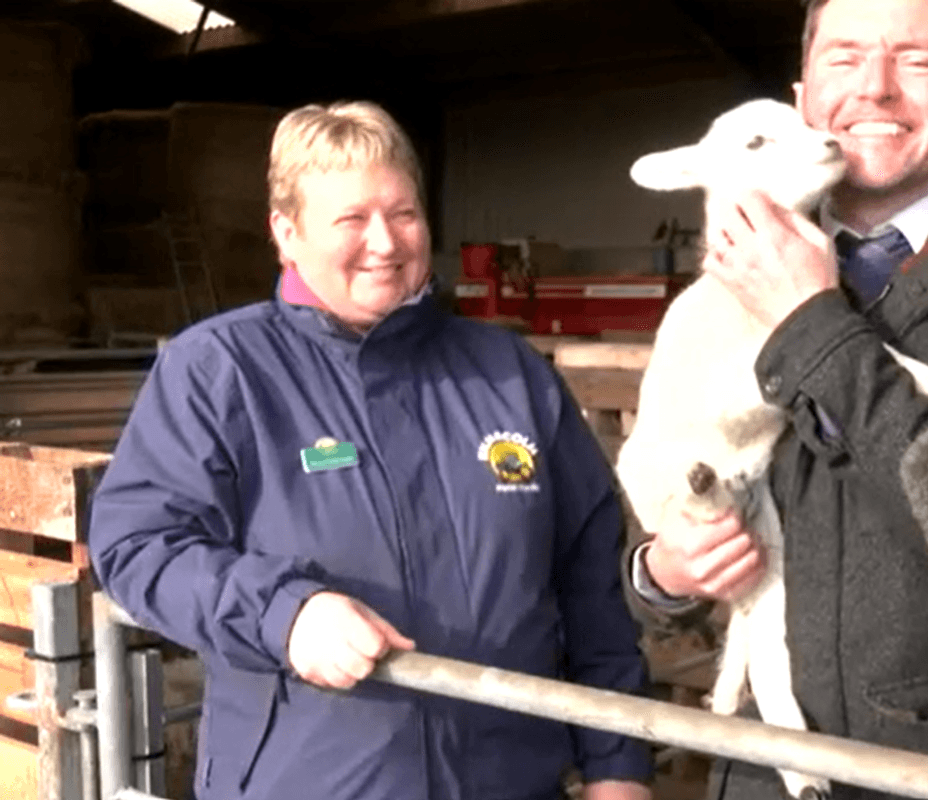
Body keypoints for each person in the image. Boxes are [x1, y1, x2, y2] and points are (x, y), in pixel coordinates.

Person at [626, 0, 928, 798]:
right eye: (846, 57)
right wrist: (664, 575)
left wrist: (808, 323)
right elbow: (673, 468)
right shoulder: (724, 287)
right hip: (766, 765)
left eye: (918, 61)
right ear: (801, 104)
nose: (876, 89)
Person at [88, 101, 654, 800]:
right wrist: (283, 614)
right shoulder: (221, 370)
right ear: (286, 234)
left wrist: (618, 764)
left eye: (405, 214)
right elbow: (139, 545)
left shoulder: (509, 375)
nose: (385, 243)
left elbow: (588, 579)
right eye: (352, 220)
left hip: (512, 780)